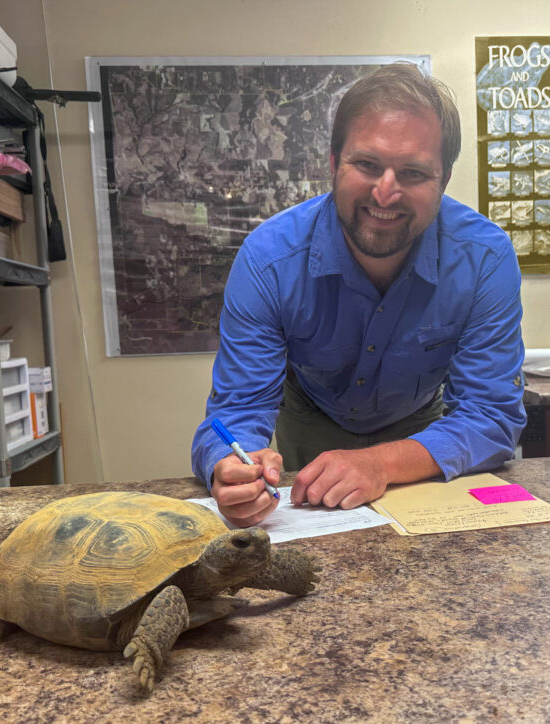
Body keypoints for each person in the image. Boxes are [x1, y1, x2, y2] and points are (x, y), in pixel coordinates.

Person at [191, 62, 526, 527]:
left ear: (444, 179)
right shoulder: (268, 259)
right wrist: (229, 466)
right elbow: (237, 411)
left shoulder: (485, 258)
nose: (385, 193)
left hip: (424, 439)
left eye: (413, 173)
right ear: (333, 163)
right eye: (367, 165)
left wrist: (382, 464)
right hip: (306, 424)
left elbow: (492, 416)